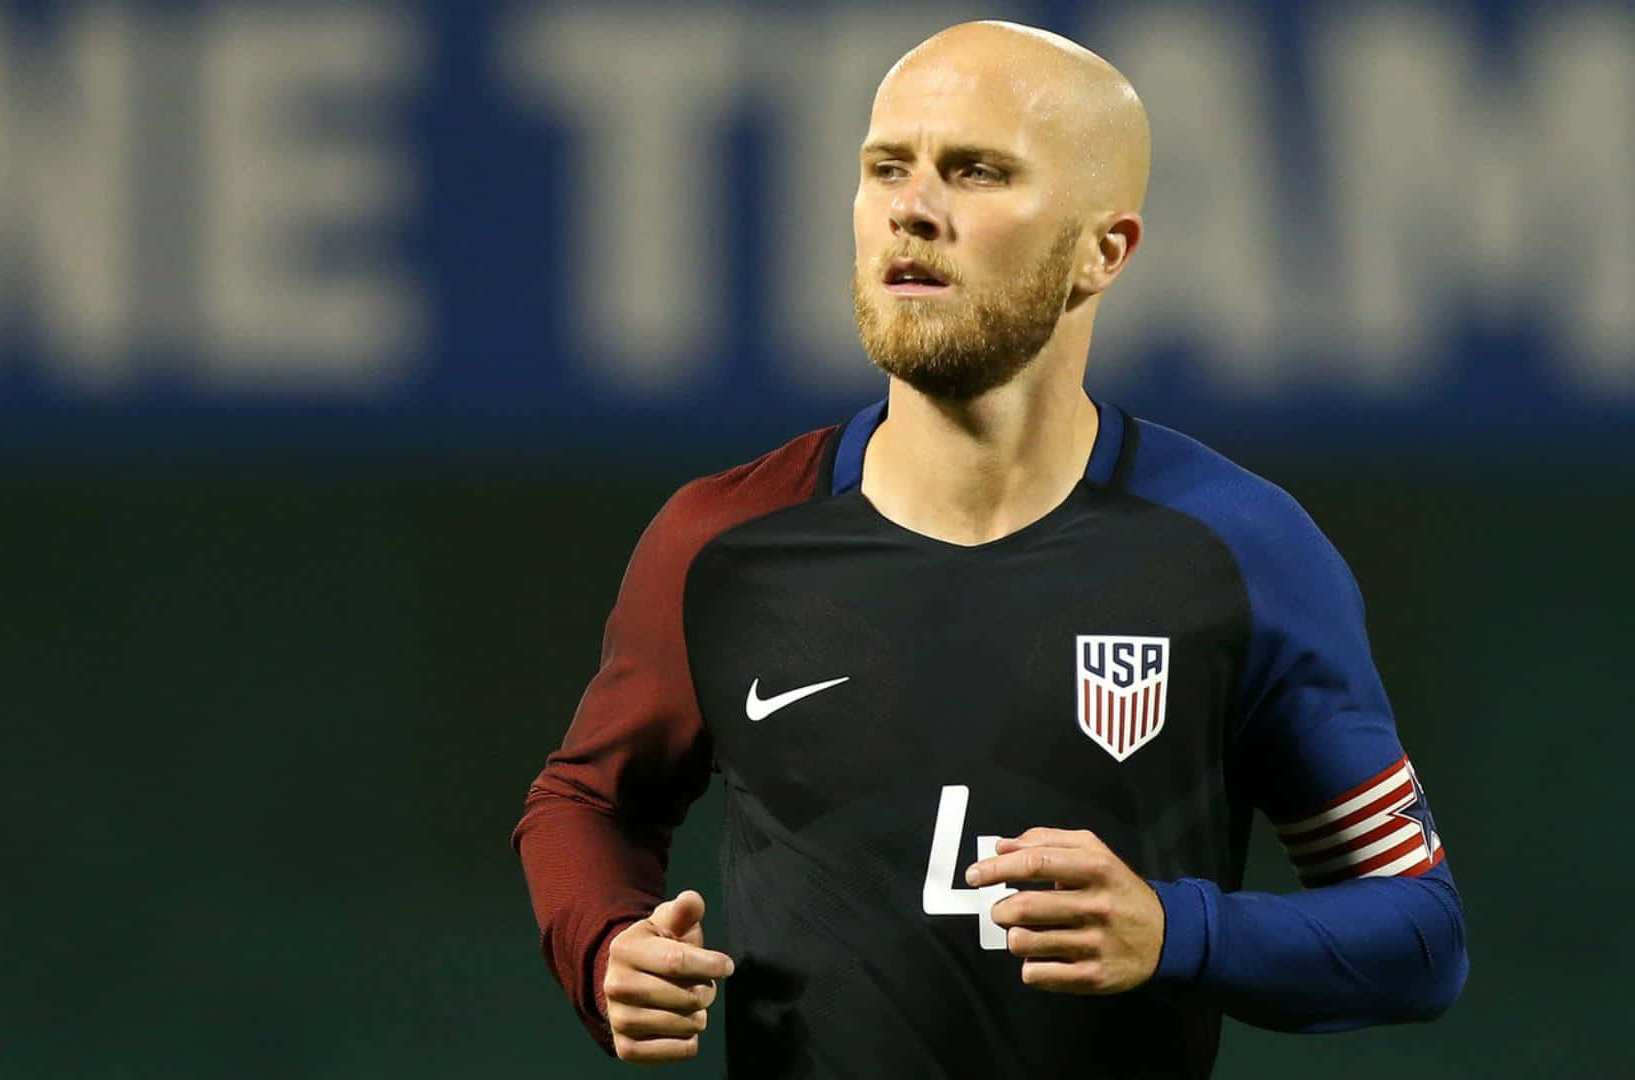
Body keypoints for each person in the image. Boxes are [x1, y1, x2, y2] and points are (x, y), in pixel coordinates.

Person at [515, 20, 1468, 1077]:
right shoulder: (725, 541)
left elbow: (1418, 936)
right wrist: (605, 944)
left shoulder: (1242, 551)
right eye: (887, 168)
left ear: (1102, 251)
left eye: (976, 171)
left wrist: (1177, 932)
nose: (913, 209)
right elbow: (590, 802)